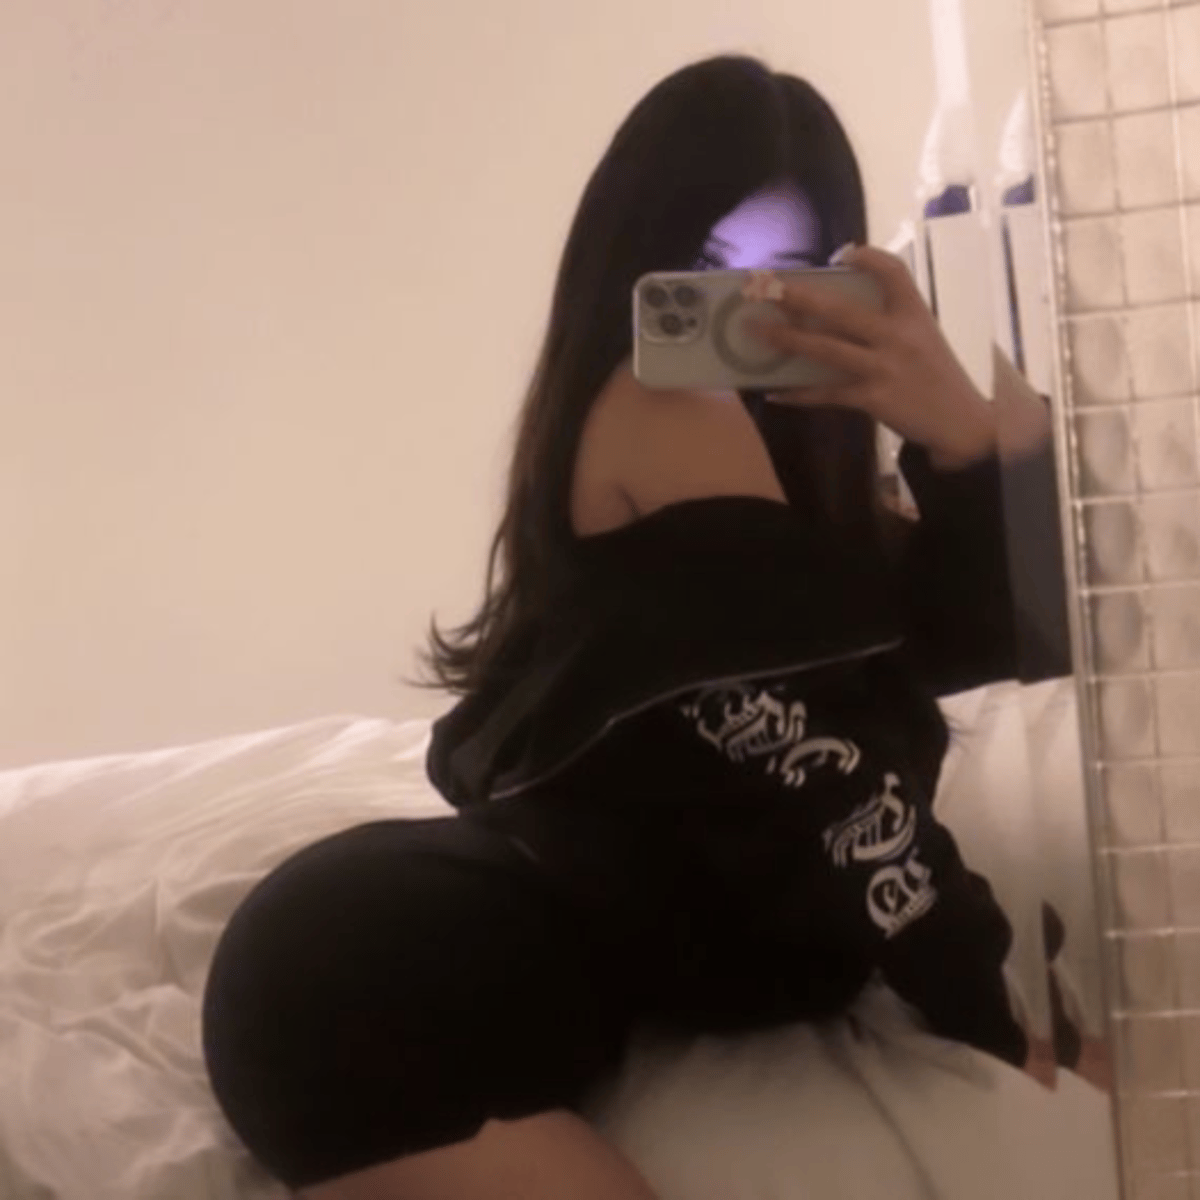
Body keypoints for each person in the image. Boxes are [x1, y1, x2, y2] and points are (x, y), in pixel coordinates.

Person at [202, 54, 1056, 1200]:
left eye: (795, 273)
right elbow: (835, 783)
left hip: (426, 951)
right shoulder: (662, 405)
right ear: (634, 270)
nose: (750, 312)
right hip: (373, 986)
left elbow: (1014, 651)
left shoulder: (795, 503)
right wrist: (996, 1016)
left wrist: (963, 428)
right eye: (709, 269)